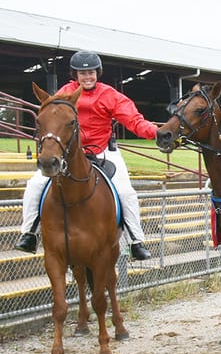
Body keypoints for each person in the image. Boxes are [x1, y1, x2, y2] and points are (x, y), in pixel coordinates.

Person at [16, 51, 157, 260]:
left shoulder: (109, 95)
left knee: (126, 192)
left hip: (103, 151)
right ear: (75, 75)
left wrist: (155, 132)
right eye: (82, 73)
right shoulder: (65, 93)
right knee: (35, 184)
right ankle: (29, 233)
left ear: (97, 73)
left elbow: (133, 120)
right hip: (71, 153)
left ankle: (135, 241)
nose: (87, 77)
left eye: (91, 72)